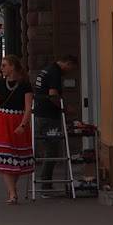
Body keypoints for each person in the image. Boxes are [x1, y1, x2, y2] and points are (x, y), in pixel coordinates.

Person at [0, 55, 34, 204]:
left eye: (4, 65)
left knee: (18, 159)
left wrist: (23, 125)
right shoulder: (0, 84)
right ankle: (12, 193)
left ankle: (12, 189)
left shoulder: (25, 84)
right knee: (5, 157)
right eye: (2, 65)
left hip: (18, 121)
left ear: (13, 66)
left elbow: (28, 108)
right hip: (2, 122)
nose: (2, 68)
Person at [33, 55, 77, 194]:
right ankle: (46, 185)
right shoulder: (55, 73)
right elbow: (53, 95)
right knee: (52, 150)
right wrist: (64, 108)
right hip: (49, 115)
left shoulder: (46, 70)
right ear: (67, 63)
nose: (69, 72)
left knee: (48, 148)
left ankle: (46, 183)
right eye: (71, 68)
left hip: (40, 113)